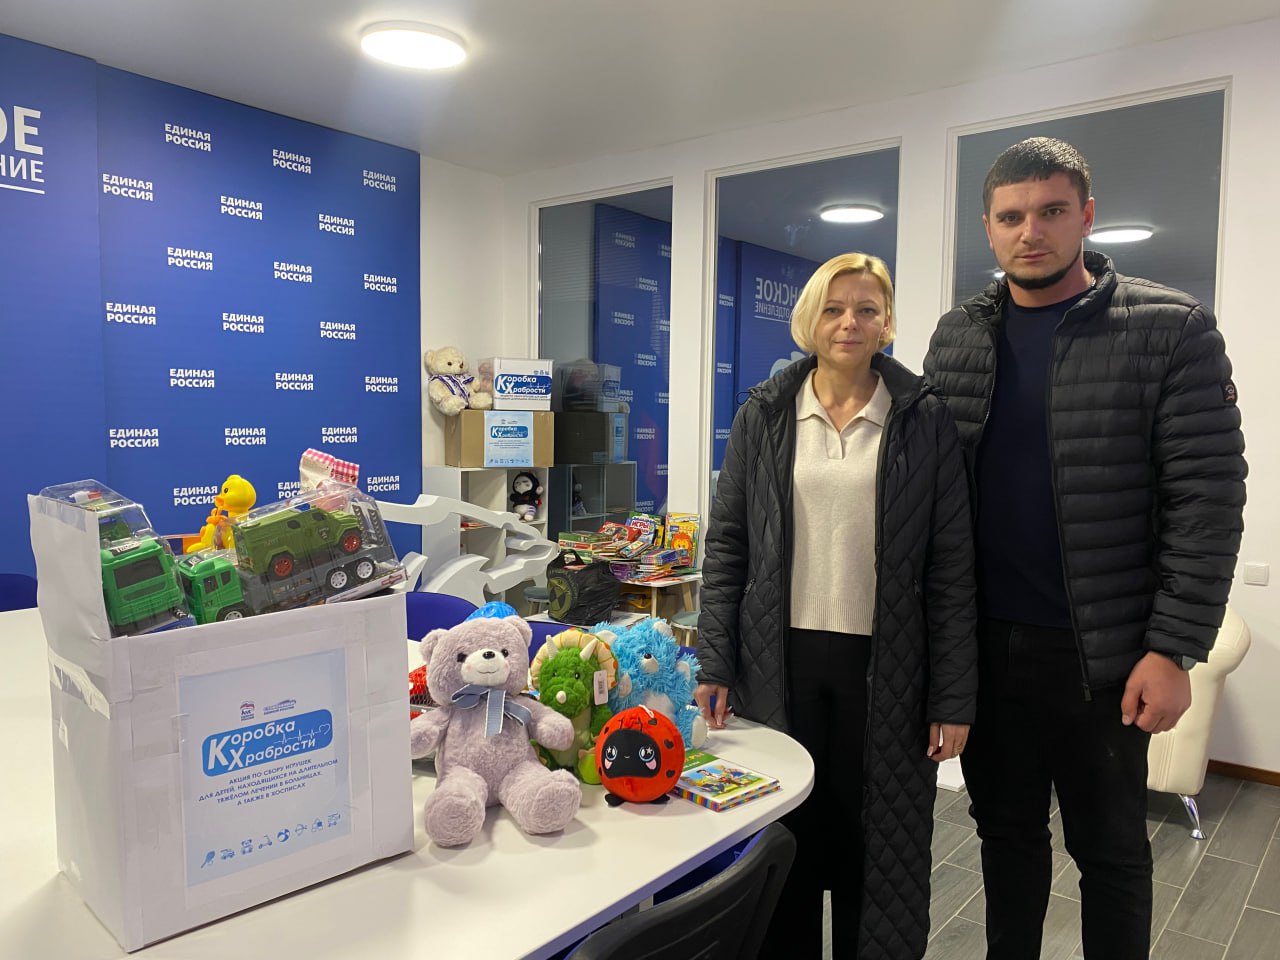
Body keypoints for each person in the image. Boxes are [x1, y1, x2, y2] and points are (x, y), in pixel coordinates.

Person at [924, 137, 1246, 959]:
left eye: (1052, 211)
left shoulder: (1169, 328)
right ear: (988, 228)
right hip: (987, 650)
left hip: (1103, 658)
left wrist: (1173, 649)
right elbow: (931, 497)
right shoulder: (957, 336)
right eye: (1011, 216)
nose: (1030, 231)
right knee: (1005, 837)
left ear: (1086, 216)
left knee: (1110, 854)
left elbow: (1208, 502)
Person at [695, 252, 978, 959]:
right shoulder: (764, 415)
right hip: (777, 661)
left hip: (888, 668)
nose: (849, 322)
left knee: (874, 844)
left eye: (866, 309)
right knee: (783, 832)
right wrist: (715, 661)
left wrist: (953, 697)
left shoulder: (923, 420)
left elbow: (951, 569)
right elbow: (728, 544)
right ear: (809, 321)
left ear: (886, 324)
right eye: (834, 308)